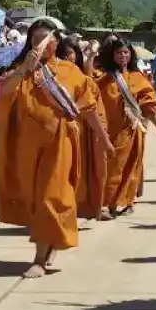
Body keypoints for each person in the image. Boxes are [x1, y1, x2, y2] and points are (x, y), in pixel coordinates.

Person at [0, 19, 115, 279]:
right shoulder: (22, 70)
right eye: (35, 39)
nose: (40, 44)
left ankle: (39, 258)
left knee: (51, 196)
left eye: (45, 38)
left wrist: (104, 140)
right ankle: (48, 244)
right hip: (27, 146)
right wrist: (22, 71)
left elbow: (89, 108)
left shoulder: (70, 72)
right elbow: (3, 95)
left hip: (60, 143)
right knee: (35, 200)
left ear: (56, 42)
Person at [95, 39, 156, 217]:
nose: (123, 56)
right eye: (119, 53)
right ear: (112, 55)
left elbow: (148, 105)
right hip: (112, 132)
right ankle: (107, 204)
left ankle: (128, 200)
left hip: (134, 131)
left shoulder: (137, 77)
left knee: (132, 167)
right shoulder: (104, 78)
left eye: (126, 52)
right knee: (112, 168)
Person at [57, 37, 111, 222]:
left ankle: (95, 206)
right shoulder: (50, 75)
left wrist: (102, 135)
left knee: (92, 170)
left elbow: (92, 106)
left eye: (70, 53)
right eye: (63, 54)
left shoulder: (82, 77)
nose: (66, 58)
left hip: (85, 130)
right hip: (62, 132)